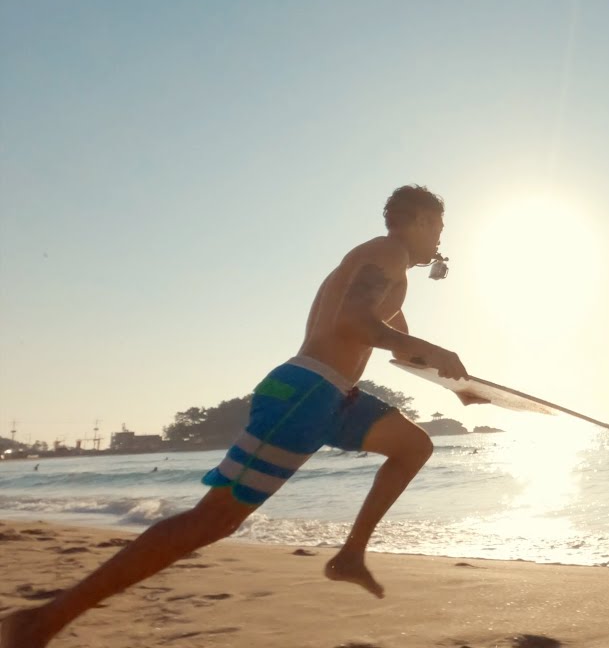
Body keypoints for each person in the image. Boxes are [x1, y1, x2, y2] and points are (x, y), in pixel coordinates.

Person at [2, 186, 482, 648]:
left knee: (413, 445)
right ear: (417, 220)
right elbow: (352, 324)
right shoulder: (387, 251)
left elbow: (393, 339)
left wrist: (457, 380)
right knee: (211, 521)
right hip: (305, 393)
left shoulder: (384, 267)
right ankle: (42, 620)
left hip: (337, 397)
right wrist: (432, 349)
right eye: (438, 227)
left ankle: (351, 554)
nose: (440, 240)